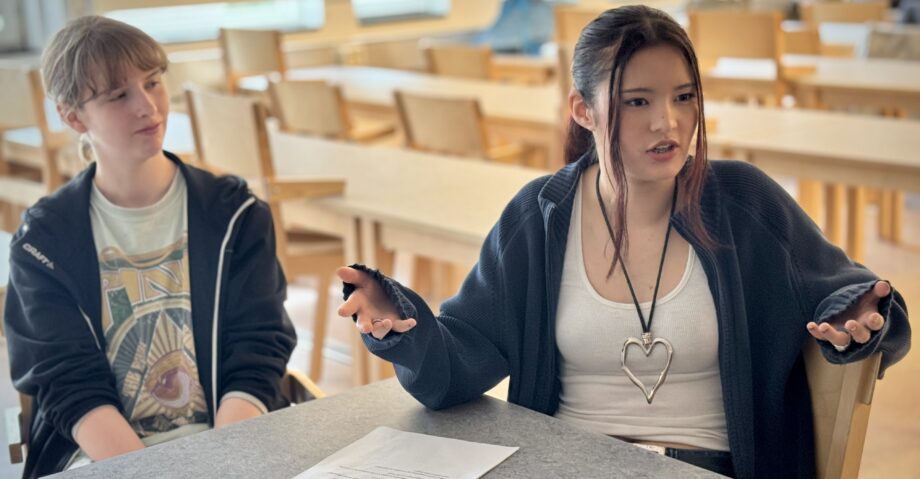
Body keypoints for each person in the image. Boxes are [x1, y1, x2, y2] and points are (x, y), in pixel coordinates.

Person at [336, 5, 910, 478]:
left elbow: (863, 302)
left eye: (684, 97)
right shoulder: (540, 216)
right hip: (566, 464)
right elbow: (457, 366)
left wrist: (859, 318)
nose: (668, 122)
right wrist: (403, 327)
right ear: (583, 110)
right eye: (639, 101)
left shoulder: (745, 203)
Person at [3, 16, 296, 478]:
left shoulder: (235, 214)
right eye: (119, 95)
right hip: (107, 460)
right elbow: (67, 384)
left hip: (233, 446)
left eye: (153, 82)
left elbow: (258, 349)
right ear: (73, 116)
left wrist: (226, 464)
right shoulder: (44, 242)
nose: (148, 106)